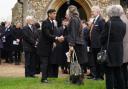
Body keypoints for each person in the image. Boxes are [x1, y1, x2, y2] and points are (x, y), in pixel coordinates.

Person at [101, 5, 126, 89]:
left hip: (109, 51)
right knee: (119, 72)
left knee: (109, 74)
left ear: (110, 12)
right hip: (119, 50)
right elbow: (122, 36)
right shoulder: (123, 24)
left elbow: (102, 38)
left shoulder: (109, 23)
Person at [37, 9, 64, 83]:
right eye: (54, 13)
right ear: (49, 14)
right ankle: (44, 79)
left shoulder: (52, 23)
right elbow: (47, 34)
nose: (55, 15)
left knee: (47, 63)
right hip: (43, 47)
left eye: (55, 13)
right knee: (44, 63)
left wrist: (55, 41)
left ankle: (46, 78)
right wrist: (57, 38)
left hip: (48, 47)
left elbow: (52, 34)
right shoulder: (45, 22)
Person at [66, 5, 88, 84]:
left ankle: (77, 80)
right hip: (79, 43)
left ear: (70, 11)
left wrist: (71, 44)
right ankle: (76, 79)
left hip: (76, 43)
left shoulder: (73, 19)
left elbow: (73, 33)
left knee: (76, 62)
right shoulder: (77, 18)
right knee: (76, 62)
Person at [89, 6, 105, 80]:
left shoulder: (101, 20)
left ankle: (100, 76)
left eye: (93, 11)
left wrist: (101, 43)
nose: (91, 13)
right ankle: (96, 75)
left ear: (97, 12)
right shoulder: (94, 20)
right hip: (93, 45)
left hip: (98, 45)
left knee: (99, 61)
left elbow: (103, 32)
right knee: (95, 61)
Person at [118, 5, 128, 88]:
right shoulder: (125, 19)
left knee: (122, 70)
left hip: (122, 48)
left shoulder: (122, 20)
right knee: (124, 69)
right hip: (125, 48)